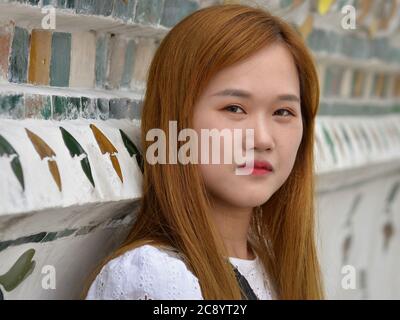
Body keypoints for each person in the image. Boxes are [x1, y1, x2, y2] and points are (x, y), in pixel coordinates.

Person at [82, 3, 324, 300]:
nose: (262, 139)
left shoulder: (275, 270)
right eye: (234, 108)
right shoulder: (155, 277)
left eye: (283, 112)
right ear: (177, 122)